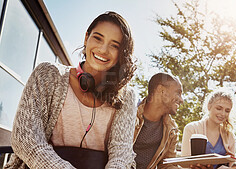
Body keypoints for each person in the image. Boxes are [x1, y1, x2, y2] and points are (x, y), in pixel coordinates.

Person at [5, 11, 137, 168]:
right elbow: (24, 138)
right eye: (98, 38)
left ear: (121, 53)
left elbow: (121, 155)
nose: (103, 49)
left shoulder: (127, 95)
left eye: (114, 45)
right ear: (86, 38)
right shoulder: (48, 74)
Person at [133, 72, 183, 169]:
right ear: (162, 90)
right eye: (178, 93)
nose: (181, 100)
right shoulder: (129, 115)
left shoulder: (171, 129)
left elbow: (167, 165)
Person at [181, 89, 236, 169]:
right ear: (209, 106)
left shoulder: (230, 136)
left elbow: (232, 165)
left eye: (227, 111)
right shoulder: (191, 129)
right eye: (219, 108)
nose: (223, 114)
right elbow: (184, 164)